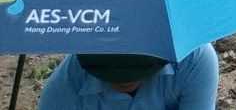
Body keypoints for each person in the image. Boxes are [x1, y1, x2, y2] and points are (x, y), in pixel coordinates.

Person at [38, 45, 220, 109]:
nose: (124, 80)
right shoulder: (63, 93)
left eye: (137, 70)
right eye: (111, 74)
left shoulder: (194, 59)